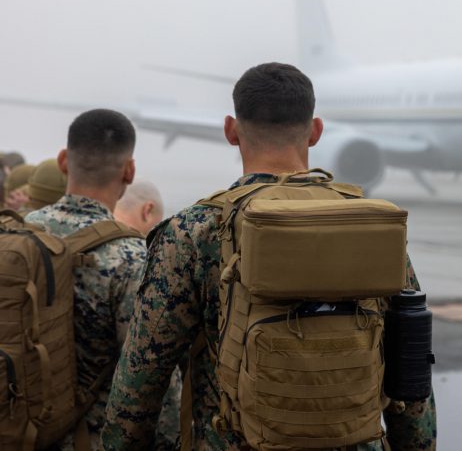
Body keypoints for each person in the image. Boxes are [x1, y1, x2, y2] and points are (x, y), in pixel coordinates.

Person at [102, 63, 437, 450]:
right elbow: (410, 379)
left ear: (231, 131)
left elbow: (141, 378)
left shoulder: (193, 232)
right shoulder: (375, 227)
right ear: (315, 132)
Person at [24, 109, 179, 450]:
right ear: (129, 171)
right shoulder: (134, 258)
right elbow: (151, 377)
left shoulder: (15, 237)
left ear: (63, 160)